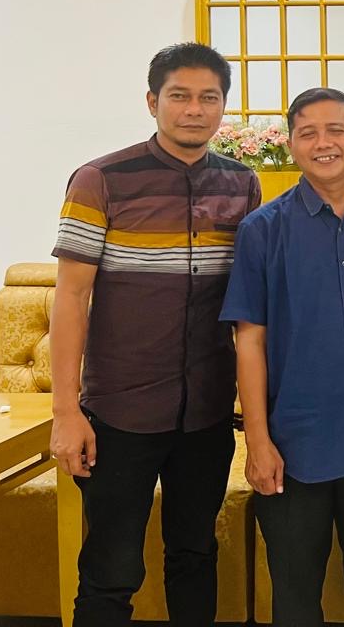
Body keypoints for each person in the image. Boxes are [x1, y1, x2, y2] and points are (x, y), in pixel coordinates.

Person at [49, 43, 260, 627]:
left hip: (207, 414)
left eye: (208, 98)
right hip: (120, 416)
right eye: (179, 96)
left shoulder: (242, 183)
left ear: (223, 107)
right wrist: (66, 412)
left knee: (195, 556)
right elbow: (70, 298)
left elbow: (250, 303)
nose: (194, 109)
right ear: (152, 102)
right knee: (110, 571)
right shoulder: (101, 180)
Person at [220, 87, 344, 627]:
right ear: (291, 145)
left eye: (336, 130)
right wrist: (257, 441)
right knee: (295, 592)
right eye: (308, 133)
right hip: (294, 444)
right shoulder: (263, 230)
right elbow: (249, 341)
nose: (323, 143)